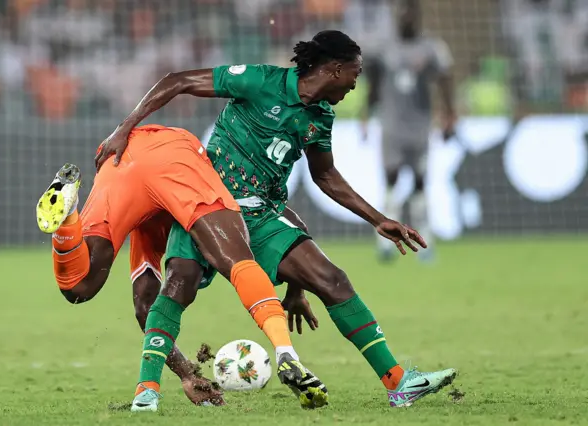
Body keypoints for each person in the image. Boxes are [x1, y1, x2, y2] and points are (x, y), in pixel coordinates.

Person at [97, 30, 457, 409]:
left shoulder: (320, 117)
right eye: (355, 72)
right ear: (334, 69)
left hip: (259, 213)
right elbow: (178, 81)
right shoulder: (258, 80)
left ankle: (399, 383)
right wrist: (125, 127)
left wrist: (377, 220)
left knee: (332, 280)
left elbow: (326, 177)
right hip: (206, 202)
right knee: (178, 285)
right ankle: (146, 392)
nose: (356, 82)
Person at [36, 125, 327, 413]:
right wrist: (296, 288)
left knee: (78, 286)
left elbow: (146, 307)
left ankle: (68, 218)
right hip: (176, 156)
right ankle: (286, 352)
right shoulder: (183, 223)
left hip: (121, 159)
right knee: (236, 260)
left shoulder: (146, 228)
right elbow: (281, 217)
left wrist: (187, 374)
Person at [362, 0, 456, 262]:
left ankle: (425, 241)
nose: (406, 19)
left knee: (420, 182)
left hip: (420, 128)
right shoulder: (384, 49)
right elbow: (374, 84)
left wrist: (450, 116)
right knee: (391, 180)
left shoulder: (432, 48)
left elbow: (446, 80)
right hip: (392, 126)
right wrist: (365, 116)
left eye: (411, 15)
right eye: (403, 14)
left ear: (417, 18)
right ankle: (385, 244)